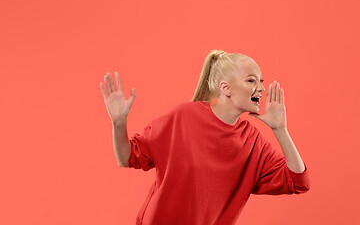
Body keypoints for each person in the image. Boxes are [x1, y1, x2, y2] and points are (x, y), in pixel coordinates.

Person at [99, 50, 310, 225]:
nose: (261, 87)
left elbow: (298, 182)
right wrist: (119, 124)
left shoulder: (253, 141)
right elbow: (128, 158)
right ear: (225, 88)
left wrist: (280, 129)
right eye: (251, 80)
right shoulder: (183, 117)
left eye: (261, 81)